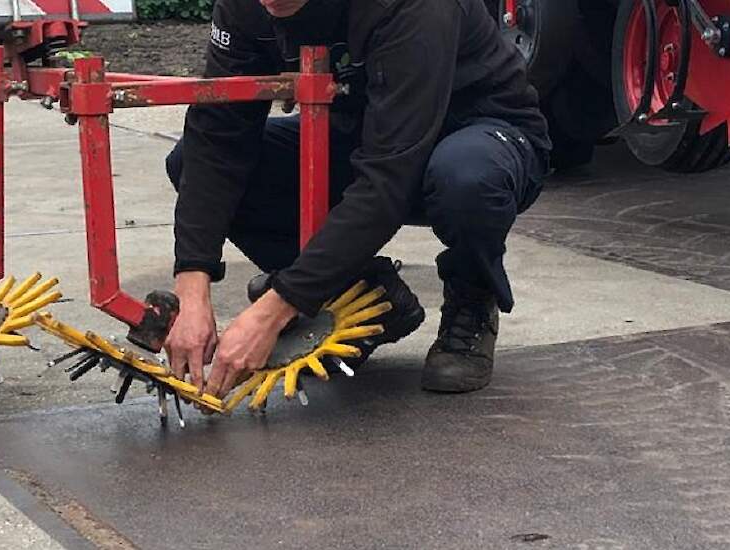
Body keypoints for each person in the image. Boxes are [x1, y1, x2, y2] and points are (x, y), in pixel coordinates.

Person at [164, 0, 551, 400]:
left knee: (467, 179)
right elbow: (216, 141)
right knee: (188, 160)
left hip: (477, 130)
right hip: (363, 133)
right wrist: (192, 289)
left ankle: (471, 299)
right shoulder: (245, 7)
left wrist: (275, 309)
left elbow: (387, 181)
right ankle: (367, 298)